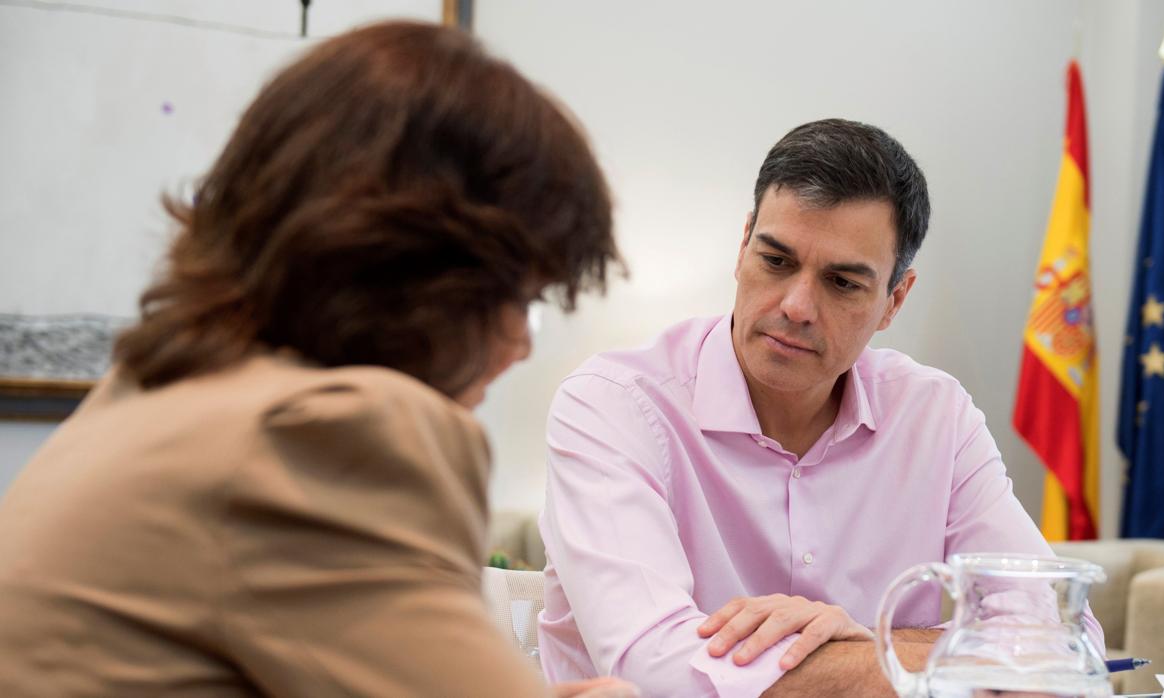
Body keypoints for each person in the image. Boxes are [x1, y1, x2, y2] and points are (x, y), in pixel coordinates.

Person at [0, 21, 636, 698]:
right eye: (518, 296)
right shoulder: (324, 434)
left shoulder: (147, 393)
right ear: (417, 275)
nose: (520, 345)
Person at [537, 118, 1106, 697]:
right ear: (742, 248)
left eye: (842, 283)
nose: (797, 305)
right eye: (777, 261)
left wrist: (864, 640)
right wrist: (899, 654)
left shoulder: (938, 416)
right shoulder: (614, 405)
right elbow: (654, 668)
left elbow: (1063, 636)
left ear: (895, 300)